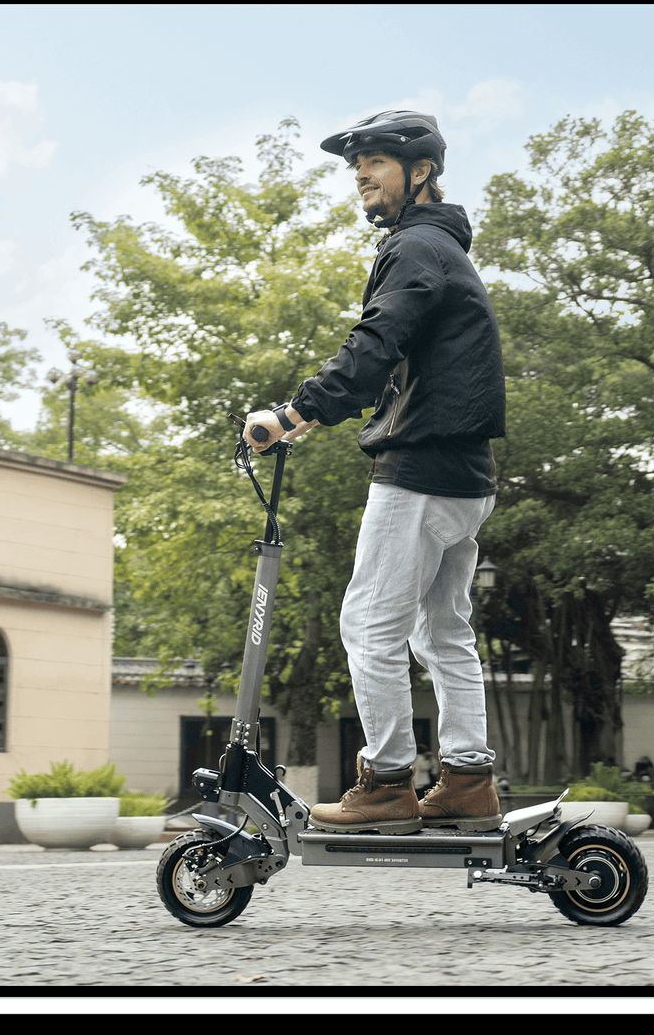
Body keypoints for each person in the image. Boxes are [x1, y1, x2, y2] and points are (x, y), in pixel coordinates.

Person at [245, 110, 506, 835]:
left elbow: (376, 343)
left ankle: (388, 783)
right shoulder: (444, 249)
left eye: (377, 162)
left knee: (369, 624)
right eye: (355, 164)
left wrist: (294, 413)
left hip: (421, 470)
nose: (359, 174)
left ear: (419, 171)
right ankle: (468, 780)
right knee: (444, 633)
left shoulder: (416, 247)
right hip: (466, 475)